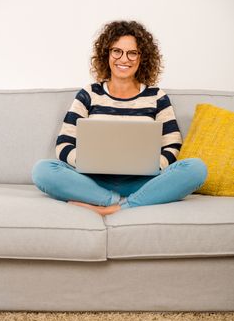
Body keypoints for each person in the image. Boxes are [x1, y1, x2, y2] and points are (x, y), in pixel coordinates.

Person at [32, 20, 207, 216]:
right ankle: (115, 200)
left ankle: (116, 207)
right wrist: (86, 163)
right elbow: (64, 143)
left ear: (142, 58)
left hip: (144, 181)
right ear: (107, 54)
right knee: (43, 170)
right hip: (93, 180)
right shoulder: (89, 94)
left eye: (132, 53)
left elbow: (172, 145)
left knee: (196, 169)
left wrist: (153, 166)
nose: (124, 59)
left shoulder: (157, 96)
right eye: (117, 51)